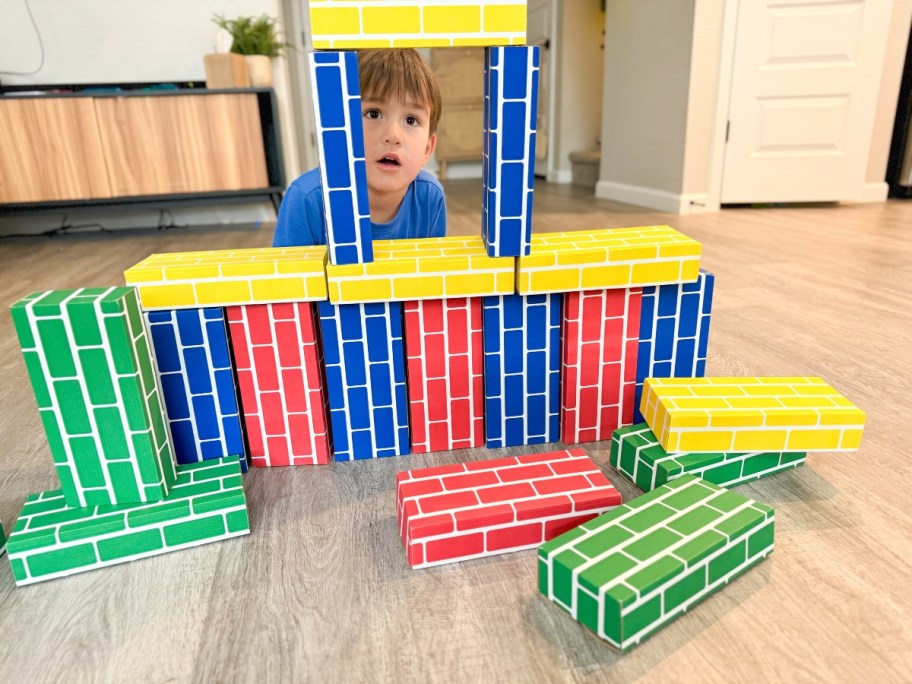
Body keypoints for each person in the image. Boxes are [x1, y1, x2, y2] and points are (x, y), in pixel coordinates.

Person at [273, 49, 446, 248]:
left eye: (411, 120)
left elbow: (429, 275)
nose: (393, 136)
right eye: (373, 114)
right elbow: (293, 278)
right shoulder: (307, 200)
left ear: (427, 149)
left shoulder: (430, 196)